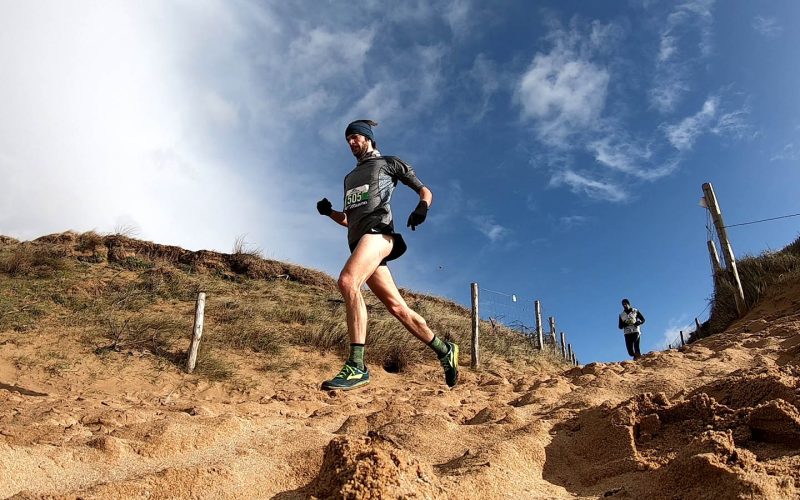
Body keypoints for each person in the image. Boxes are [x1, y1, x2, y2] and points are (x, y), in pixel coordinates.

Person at [315, 119, 458, 391]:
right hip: (360, 243)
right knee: (398, 309)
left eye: (355, 137)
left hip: (380, 234)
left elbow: (424, 189)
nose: (351, 143)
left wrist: (422, 207)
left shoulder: (388, 164)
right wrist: (329, 212)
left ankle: (357, 366)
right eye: (348, 140)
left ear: (368, 138)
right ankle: (444, 350)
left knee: (347, 282)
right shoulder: (349, 179)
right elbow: (349, 220)